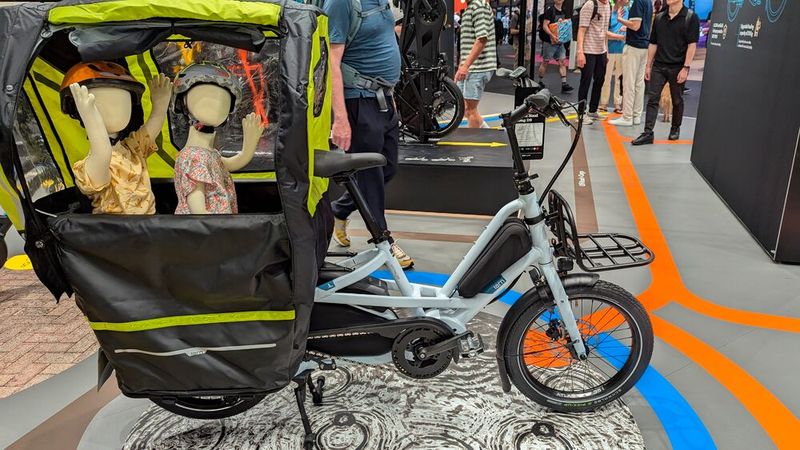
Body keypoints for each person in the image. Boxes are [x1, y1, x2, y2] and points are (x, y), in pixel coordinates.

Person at [324, 0, 415, 268]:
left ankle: (339, 209)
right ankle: (383, 242)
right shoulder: (341, 3)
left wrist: (391, 95)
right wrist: (340, 119)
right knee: (370, 176)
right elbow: (332, 61)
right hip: (358, 103)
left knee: (388, 168)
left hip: (383, 101)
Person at [631, 0, 699, 144]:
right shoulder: (660, 17)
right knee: (653, 99)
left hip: (678, 67)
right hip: (659, 66)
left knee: (677, 99)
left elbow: (692, 45)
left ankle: (675, 128)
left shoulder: (690, 17)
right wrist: (648, 65)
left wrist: (686, 68)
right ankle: (648, 133)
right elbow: (653, 43)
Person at [609, 0, 652, 126]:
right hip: (644, 46)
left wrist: (620, 19)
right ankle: (636, 115)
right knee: (639, 83)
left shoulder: (638, 2)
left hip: (634, 46)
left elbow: (635, 25)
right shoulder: (648, 2)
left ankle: (627, 116)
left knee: (629, 82)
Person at [455, 0, 497, 128]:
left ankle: (473, 143)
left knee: (470, 110)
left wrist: (465, 66)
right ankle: (488, 133)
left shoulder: (479, 7)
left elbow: (481, 39)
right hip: (473, 67)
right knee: (466, 109)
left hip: (478, 67)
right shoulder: (472, 7)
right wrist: (462, 66)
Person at [576, 0, 612, 124]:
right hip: (588, 50)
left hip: (601, 50)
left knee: (600, 80)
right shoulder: (590, 5)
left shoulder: (608, 5)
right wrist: (580, 52)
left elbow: (605, 30)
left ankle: (593, 110)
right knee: (585, 81)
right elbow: (581, 30)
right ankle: (581, 113)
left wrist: (606, 50)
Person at [538, 0, 575, 93]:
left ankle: (564, 84)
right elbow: (545, 26)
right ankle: (540, 82)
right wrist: (552, 35)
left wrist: (568, 39)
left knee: (562, 62)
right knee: (545, 62)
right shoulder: (550, 11)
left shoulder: (565, 11)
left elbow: (567, 25)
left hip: (560, 42)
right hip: (549, 42)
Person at [599, 0, 627, 112]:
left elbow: (632, 28)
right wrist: (619, 36)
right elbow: (604, 32)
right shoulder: (609, 12)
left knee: (619, 79)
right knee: (606, 77)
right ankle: (603, 103)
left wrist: (626, 28)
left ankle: (618, 104)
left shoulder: (627, 13)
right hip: (609, 49)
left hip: (622, 50)